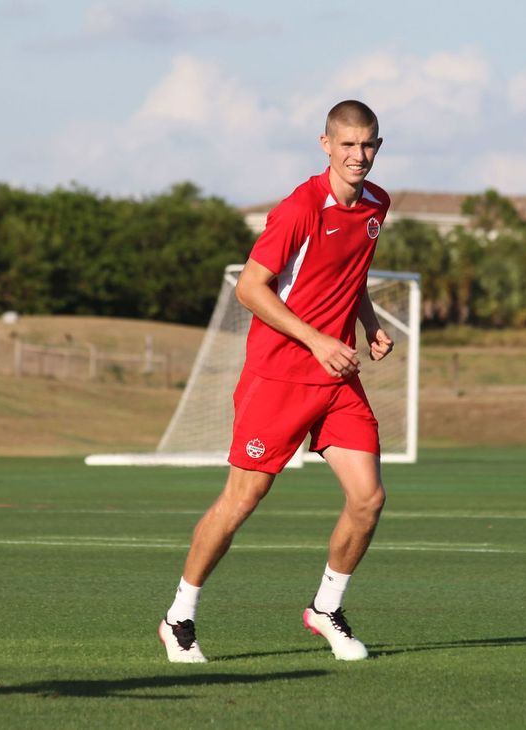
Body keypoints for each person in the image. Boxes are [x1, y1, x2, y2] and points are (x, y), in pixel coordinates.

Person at [158, 100, 393, 663]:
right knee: (243, 499)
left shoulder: (376, 204)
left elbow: (351, 276)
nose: (358, 155)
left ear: (378, 146)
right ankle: (179, 617)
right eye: (348, 144)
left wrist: (369, 323)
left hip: (337, 381)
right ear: (326, 145)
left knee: (368, 500)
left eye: (368, 144)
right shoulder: (299, 209)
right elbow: (249, 288)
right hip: (279, 378)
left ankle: (326, 609)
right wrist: (317, 340)